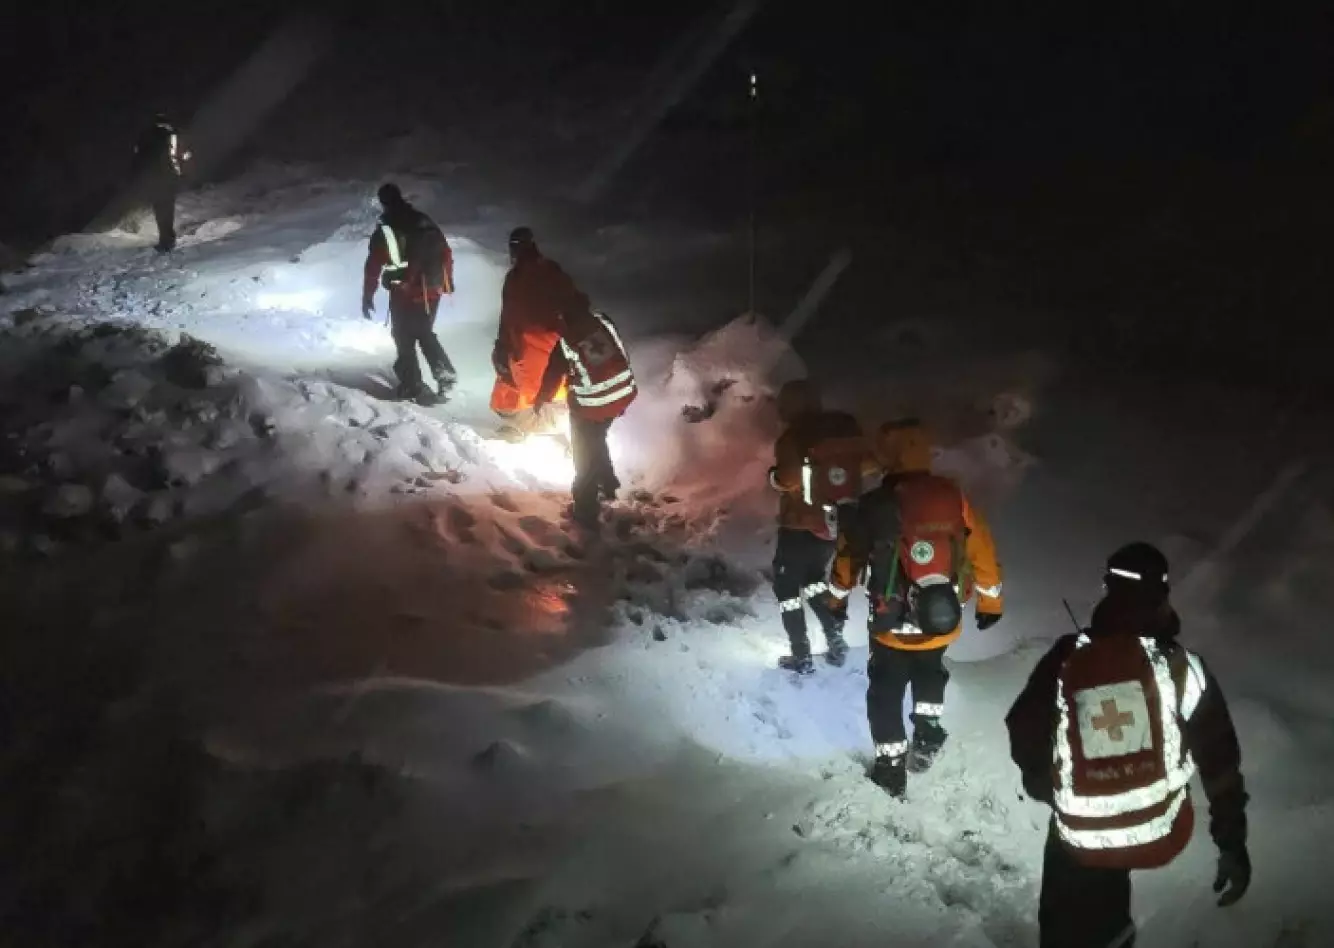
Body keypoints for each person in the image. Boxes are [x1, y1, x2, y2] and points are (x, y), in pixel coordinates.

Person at [1005, 542, 1250, 948]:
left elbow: (1022, 727)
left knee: (1077, 877)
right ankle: (1116, 936)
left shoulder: (1068, 656)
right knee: (1115, 857)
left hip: (1080, 833)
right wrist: (1232, 844)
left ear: (1107, 589)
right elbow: (1220, 760)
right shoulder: (1183, 668)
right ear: (1163, 595)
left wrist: (1045, 785)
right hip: (1159, 830)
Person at [827, 417, 1003, 797]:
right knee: (930, 672)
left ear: (888, 457)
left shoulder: (875, 505)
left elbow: (850, 555)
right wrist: (991, 600)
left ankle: (891, 768)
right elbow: (981, 548)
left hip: (891, 624)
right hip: (942, 617)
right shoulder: (952, 496)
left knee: (885, 690)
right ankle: (927, 736)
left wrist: (835, 598)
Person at [767, 379, 875, 674]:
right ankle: (835, 638)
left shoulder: (793, 438)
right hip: (834, 524)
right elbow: (866, 464)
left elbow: (788, 479)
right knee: (814, 578)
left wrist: (774, 479)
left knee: (786, 587)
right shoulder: (844, 429)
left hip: (800, 524)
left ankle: (801, 655)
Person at [531, 307, 636, 527]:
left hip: (592, 405)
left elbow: (553, 374)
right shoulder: (603, 320)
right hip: (623, 392)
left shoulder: (565, 342)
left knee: (583, 455)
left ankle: (585, 511)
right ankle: (608, 484)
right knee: (597, 438)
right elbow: (620, 351)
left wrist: (541, 399)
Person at [361, 183, 456, 404]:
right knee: (424, 332)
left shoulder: (386, 229)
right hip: (432, 290)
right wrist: (446, 282)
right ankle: (444, 373)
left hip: (405, 292)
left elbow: (373, 265)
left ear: (383, 203)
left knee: (403, 337)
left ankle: (412, 384)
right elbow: (445, 251)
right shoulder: (423, 220)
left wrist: (368, 295)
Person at [491, 227, 584, 427]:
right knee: (553, 386)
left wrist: (501, 347)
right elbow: (576, 302)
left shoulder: (515, 278)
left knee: (512, 396)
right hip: (555, 346)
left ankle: (534, 423)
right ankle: (548, 419)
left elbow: (508, 318)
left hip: (528, 350)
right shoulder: (551, 270)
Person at [131, 113, 190, 252]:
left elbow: (137, 156)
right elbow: (178, 155)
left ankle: (164, 239)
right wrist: (183, 166)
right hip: (168, 177)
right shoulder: (171, 135)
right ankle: (168, 240)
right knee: (168, 209)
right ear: (166, 123)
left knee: (159, 210)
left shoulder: (144, 136)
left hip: (151, 179)